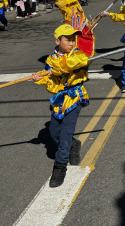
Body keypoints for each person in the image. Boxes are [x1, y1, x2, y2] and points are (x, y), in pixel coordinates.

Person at [31, 24, 89, 188]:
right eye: (68, 40)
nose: (71, 43)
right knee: (54, 132)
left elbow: (71, 65)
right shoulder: (51, 59)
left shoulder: (77, 55)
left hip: (74, 98)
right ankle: (74, 144)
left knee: (65, 134)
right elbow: (50, 79)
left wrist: (57, 68)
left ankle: (59, 167)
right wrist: (39, 77)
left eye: (73, 39)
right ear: (57, 40)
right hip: (59, 100)